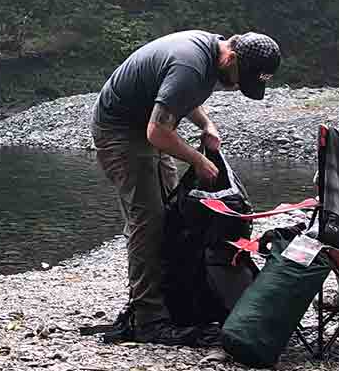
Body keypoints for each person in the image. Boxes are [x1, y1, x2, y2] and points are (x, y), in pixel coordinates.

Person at [90, 30, 282, 345]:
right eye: (239, 79)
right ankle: (148, 320)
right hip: (121, 131)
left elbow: (179, 98)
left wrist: (207, 126)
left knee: (171, 214)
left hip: (149, 127)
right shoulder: (191, 64)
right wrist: (197, 160)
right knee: (148, 221)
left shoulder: (209, 58)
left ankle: (171, 302)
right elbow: (157, 131)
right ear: (231, 56)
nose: (235, 86)